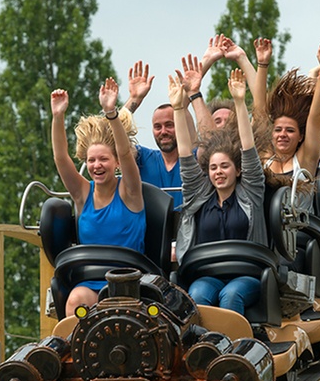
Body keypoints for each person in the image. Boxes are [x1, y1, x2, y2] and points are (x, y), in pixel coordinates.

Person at [170, 68, 267, 315]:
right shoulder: (198, 197)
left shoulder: (250, 194)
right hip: (208, 275)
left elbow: (248, 149)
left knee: (230, 294)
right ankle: (202, 349)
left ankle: (238, 348)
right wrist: (179, 110)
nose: (218, 172)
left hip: (246, 275)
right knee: (199, 294)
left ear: (237, 170)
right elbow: (184, 155)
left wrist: (239, 102)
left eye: (224, 166)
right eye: (213, 168)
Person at [50, 79, 145, 316]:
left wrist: (111, 113)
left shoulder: (129, 191)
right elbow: (61, 159)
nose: (97, 165)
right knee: (75, 299)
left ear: (115, 163)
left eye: (103, 159)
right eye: (91, 160)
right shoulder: (83, 194)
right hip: (92, 281)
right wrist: (58, 116)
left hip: (130, 283)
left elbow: (125, 152)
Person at [259, 43, 320, 198]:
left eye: (290, 130)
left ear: (301, 136)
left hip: (297, 221)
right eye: (278, 130)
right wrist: (262, 64)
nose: (283, 134)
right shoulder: (266, 157)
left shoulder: (304, 160)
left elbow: (315, 116)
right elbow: (259, 111)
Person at [123, 61, 187, 208]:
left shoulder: (194, 158)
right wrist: (134, 99)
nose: (163, 131)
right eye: (157, 127)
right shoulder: (142, 157)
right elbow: (110, 139)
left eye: (169, 125)